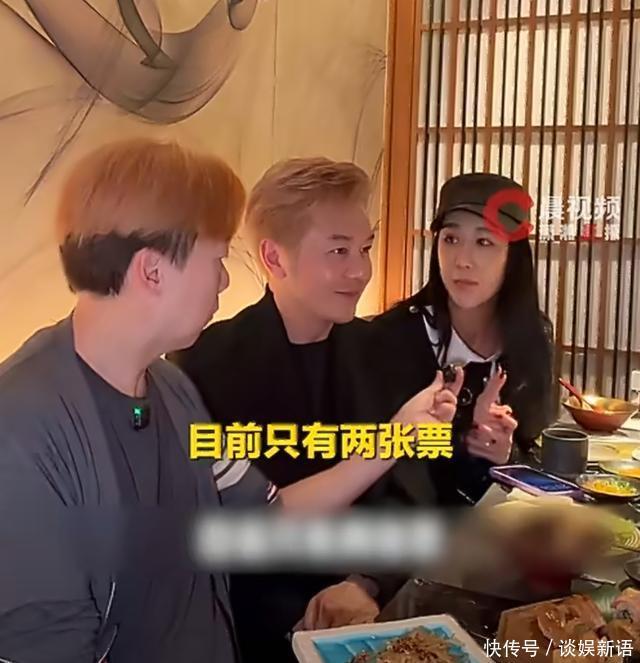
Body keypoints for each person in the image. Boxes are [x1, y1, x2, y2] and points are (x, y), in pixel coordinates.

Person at [0, 139, 459, 663]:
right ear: (152, 270)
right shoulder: (23, 429)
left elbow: (267, 516)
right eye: (216, 258)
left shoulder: (170, 389)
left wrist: (397, 437)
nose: (223, 279)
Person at [168, 157, 464, 662]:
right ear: (274, 258)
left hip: (376, 610)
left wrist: (365, 581)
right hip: (253, 628)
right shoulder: (203, 365)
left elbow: (415, 490)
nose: (360, 270)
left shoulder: (386, 350)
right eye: (338, 250)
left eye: (365, 248)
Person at [368, 172, 554, 506]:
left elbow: (537, 453)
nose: (462, 261)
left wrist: (505, 454)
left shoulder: (533, 337)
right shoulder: (393, 337)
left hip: (503, 523)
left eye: (484, 242)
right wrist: (458, 441)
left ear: (513, 256)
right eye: (451, 238)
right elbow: (375, 470)